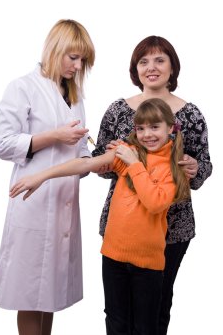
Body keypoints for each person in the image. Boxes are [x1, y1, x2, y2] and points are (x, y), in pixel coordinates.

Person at [10, 98, 191, 335]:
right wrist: (42, 176)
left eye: (155, 127)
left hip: (148, 265)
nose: (147, 134)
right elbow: (85, 164)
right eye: (141, 128)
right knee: (115, 323)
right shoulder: (128, 152)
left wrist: (134, 165)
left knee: (144, 327)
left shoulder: (175, 167)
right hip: (113, 257)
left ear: (170, 127)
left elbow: (155, 202)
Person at [92, 35, 212, 335]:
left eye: (160, 60)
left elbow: (203, 165)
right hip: (124, 226)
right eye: (143, 61)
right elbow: (99, 161)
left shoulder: (191, 114)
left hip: (172, 228)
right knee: (117, 312)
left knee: (156, 310)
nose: (151, 67)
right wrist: (108, 161)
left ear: (172, 67)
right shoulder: (119, 110)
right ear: (136, 70)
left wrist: (198, 168)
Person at [0, 19, 95, 335]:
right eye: (72, 57)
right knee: (29, 290)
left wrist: (92, 159)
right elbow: (3, 144)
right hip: (33, 202)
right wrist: (53, 136)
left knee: (49, 294)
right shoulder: (22, 87)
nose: (77, 67)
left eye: (82, 61)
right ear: (54, 49)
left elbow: (77, 150)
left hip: (65, 202)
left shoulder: (74, 96)